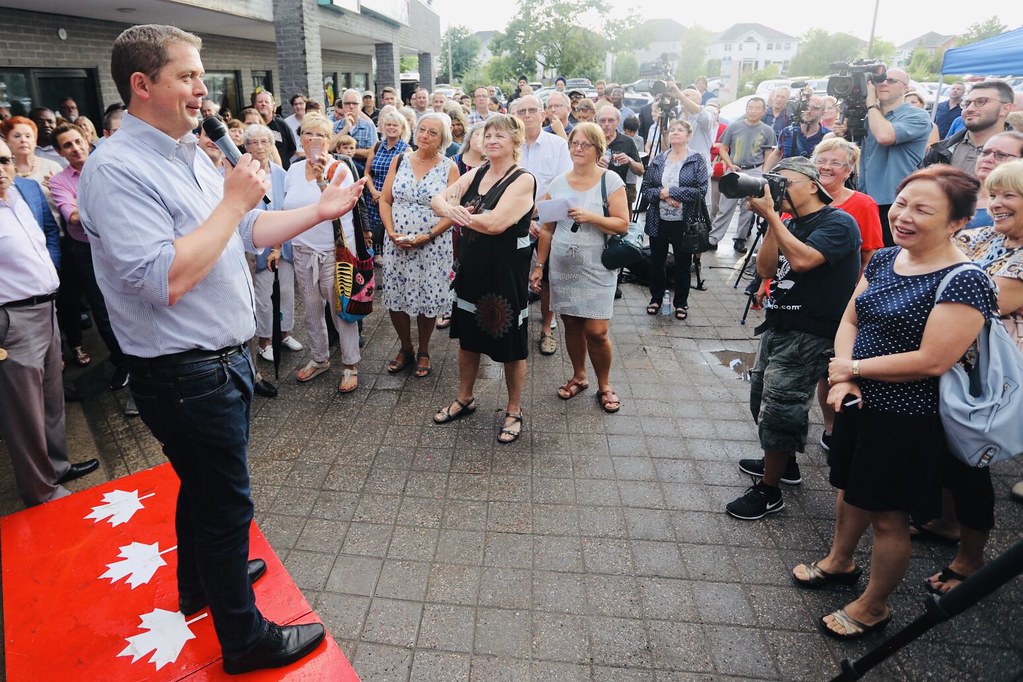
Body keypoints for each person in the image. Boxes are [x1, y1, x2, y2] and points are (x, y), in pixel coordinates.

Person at [78, 25, 366, 672]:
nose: (203, 90)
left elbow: (246, 231)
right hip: (186, 373)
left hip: (215, 366)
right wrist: (234, 201)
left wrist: (319, 210)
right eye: (187, 76)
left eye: (201, 75)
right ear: (141, 85)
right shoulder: (117, 169)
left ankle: (205, 581)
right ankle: (245, 639)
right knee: (226, 498)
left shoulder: (186, 152)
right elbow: (166, 278)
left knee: (203, 489)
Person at [794, 166, 992, 640]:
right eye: (902, 203)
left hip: (908, 416)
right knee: (848, 488)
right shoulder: (885, 258)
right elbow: (851, 320)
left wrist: (853, 372)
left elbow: (931, 360)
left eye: (923, 209)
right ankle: (840, 562)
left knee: (887, 514)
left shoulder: (965, 280)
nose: (903, 215)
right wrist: (843, 376)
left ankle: (874, 606)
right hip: (858, 401)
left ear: (957, 222)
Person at [726, 157, 861, 520]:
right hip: (779, 325)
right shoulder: (790, 222)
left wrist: (772, 216)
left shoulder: (838, 222)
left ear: (813, 185)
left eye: (784, 182)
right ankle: (783, 464)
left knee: (781, 410)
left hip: (811, 334)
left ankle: (770, 493)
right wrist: (774, 221)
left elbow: (802, 262)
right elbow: (766, 269)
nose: (777, 188)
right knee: (762, 400)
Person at [917, 159, 1023, 595]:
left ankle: (971, 558)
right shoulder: (980, 236)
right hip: (950, 360)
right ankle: (945, 522)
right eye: (993, 195)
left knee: (969, 462)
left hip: (989, 375)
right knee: (943, 451)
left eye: (1008, 196)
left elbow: (987, 303)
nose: (995, 205)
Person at [0, 138, 99, 507]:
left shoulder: (21, 193)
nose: (1, 169)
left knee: (52, 397)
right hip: (12, 317)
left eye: (5, 160)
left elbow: (47, 238)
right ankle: (40, 490)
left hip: (46, 307)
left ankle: (57, 467)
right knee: (23, 411)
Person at [431, 114, 536, 444]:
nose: (491, 140)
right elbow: (437, 199)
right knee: (468, 340)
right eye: (487, 135)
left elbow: (497, 223)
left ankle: (514, 410)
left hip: (505, 276)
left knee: (511, 347)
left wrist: (459, 214)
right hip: (472, 270)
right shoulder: (476, 172)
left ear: (514, 142)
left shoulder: (522, 179)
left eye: (499, 136)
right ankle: (465, 397)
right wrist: (451, 210)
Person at [531, 122, 629, 412]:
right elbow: (547, 229)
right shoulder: (559, 182)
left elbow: (622, 224)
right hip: (564, 265)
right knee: (571, 323)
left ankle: (605, 384)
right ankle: (579, 376)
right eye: (574, 143)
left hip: (597, 267)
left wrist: (591, 217)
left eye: (586, 144)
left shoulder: (610, 180)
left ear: (599, 149)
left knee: (597, 331)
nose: (578, 148)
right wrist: (539, 266)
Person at [808, 137, 885, 450]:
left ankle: (834, 429)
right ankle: (823, 428)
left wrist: (859, 299)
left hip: (841, 302)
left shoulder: (862, 204)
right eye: (822, 160)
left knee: (832, 366)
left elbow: (872, 256)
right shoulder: (802, 196)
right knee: (807, 368)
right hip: (800, 298)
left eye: (835, 162)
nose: (826, 167)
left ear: (849, 170)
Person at [284, 113, 364, 393]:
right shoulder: (292, 170)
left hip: (333, 252)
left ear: (330, 140)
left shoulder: (339, 168)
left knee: (340, 311)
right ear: (301, 138)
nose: (314, 139)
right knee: (311, 310)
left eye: (320, 134)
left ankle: (351, 364)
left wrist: (321, 180)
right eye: (308, 133)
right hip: (302, 250)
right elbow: (285, 211)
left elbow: (339, 206)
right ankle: (320, 359)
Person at [49, 123, 129, 389]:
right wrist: (110, 208)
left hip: (122, 242)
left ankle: (144, 359)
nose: (75, 148)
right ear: (60, 152)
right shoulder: (60, 181)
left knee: (136, 297)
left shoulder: (109, 164)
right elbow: (72, 217)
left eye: (77, 141)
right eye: (67, 145)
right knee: (102, 309)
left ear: (86, 139)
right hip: (86, 250)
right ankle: (122, 364)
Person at [379, 113, 458, 379]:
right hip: (396, 242)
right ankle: (405, 347)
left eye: (432, 132)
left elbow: (452, 212)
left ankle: (424, 349)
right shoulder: (400, 159)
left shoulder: (450, 167)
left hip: (431, 245)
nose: (424, 135)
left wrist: (428, 235)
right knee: (397, 294)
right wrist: (390, 231)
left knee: (427, 297)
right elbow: (385, 200)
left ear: (443, 138)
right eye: (422, 129)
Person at [834, 68, 931, 248]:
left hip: (896, 202)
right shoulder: (870, 117)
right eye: (880, 81)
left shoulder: (917, 116)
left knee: (887, 259)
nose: (884, 83)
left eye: (892, 81)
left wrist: (871, 103)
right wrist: (843, 132)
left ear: (906, 88)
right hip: (865, 199)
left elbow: (885, 136)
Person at [514, 95, 572, 357]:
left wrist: (542, 220)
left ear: (543, 114)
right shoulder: (510, 146)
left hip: (549, 222)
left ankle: (547, 328)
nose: (527, 115)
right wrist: (525, 221)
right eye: (521, 111)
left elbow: (564, 188)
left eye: (531, 110)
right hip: (515, 222)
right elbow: (505, 189)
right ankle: (515, 324)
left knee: (548, 278)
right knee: (515, 275)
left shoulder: (559, 145)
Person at [242, 123, 302, 363]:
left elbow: (286, 207)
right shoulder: (243, 174)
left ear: (271, 144)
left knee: (285, 291)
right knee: (264, 296)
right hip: (256, 244)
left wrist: (279, 244)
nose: (259, 147)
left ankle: (285, 333)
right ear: (245, 147)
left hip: (282, 243)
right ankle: (265, 340)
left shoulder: (280, 172)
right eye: (253, 142)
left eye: (264, 141)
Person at [640, 119, 709, 321]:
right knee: (657, 261)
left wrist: (673, 191)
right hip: (658, 219)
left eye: (680, 130)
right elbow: (646, 189)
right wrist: (664, 195)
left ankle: (681, 302)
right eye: (672, 130)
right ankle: (656, 298)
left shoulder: (696, 159)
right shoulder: (658, 160)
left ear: (688, 135)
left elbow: (701, 191)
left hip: (684, 222)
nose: (675, 133)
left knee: (682, 263)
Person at [708, 97, 776, 253]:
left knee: (748, 207)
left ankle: (740, 239)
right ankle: (713, 238)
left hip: (755, 170)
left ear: (763, 111)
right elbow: (723, 148)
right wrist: (730, 164)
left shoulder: (767, 130)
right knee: (725, 207)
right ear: (746, 109)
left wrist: (764, 173)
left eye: (757, 108)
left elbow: (768, 153)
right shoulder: (734, 127)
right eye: (750, 107)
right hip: (733, 170)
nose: (753, 111)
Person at [921, 81, 1013, 176]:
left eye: (981, 102)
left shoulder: (1017, 152)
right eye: (967, 103)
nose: (969, 109)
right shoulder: (941, 150)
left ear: (1004, 109)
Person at [365, 108, 410, 263]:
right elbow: (367, 172)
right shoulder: (377, 146)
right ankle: (375, 254)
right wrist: (373, 191)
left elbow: (405, 179)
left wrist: (383, 195)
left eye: (395, 125)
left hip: (392, 198)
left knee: (388, 227)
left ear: (402, 129)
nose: (391, 128)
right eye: (388, 124)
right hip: (373, 197)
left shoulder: (406, 150)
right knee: (373, 229)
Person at [967, 131, 1023, 228]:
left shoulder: (1014, 209)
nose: (988, 159)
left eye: (1001, 155)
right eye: (985, 153)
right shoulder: (957, 194)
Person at [765, 95, 829, 170]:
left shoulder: (827, 136)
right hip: (789, 177)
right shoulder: (787, 132)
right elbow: (777, 154)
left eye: (815, 108)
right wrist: (765, 176)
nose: (809, 111)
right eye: (806, 107)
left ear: (823, 113)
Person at [252, 89, 297, 170]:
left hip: (282, 170)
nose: (263, 104)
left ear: (273, 107)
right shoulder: (252, 126)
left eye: (266, 102)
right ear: (255, 106)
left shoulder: (282, 124)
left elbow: (292, 148)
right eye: (260, 102)